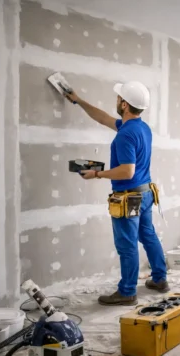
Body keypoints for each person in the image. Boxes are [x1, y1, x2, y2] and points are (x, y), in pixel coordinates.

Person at [64, 81, 168, 305]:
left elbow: (127, 171)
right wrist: (79, 100)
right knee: (147, 235)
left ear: (124, 103)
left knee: (127, 244)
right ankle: (160, 279)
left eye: (119, 98)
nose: (116, 101)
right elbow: (102, 118)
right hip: (146, 193)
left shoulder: (125, 135)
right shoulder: (141, 127)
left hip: (129, 198)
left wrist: (97, 175)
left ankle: (127, 291)